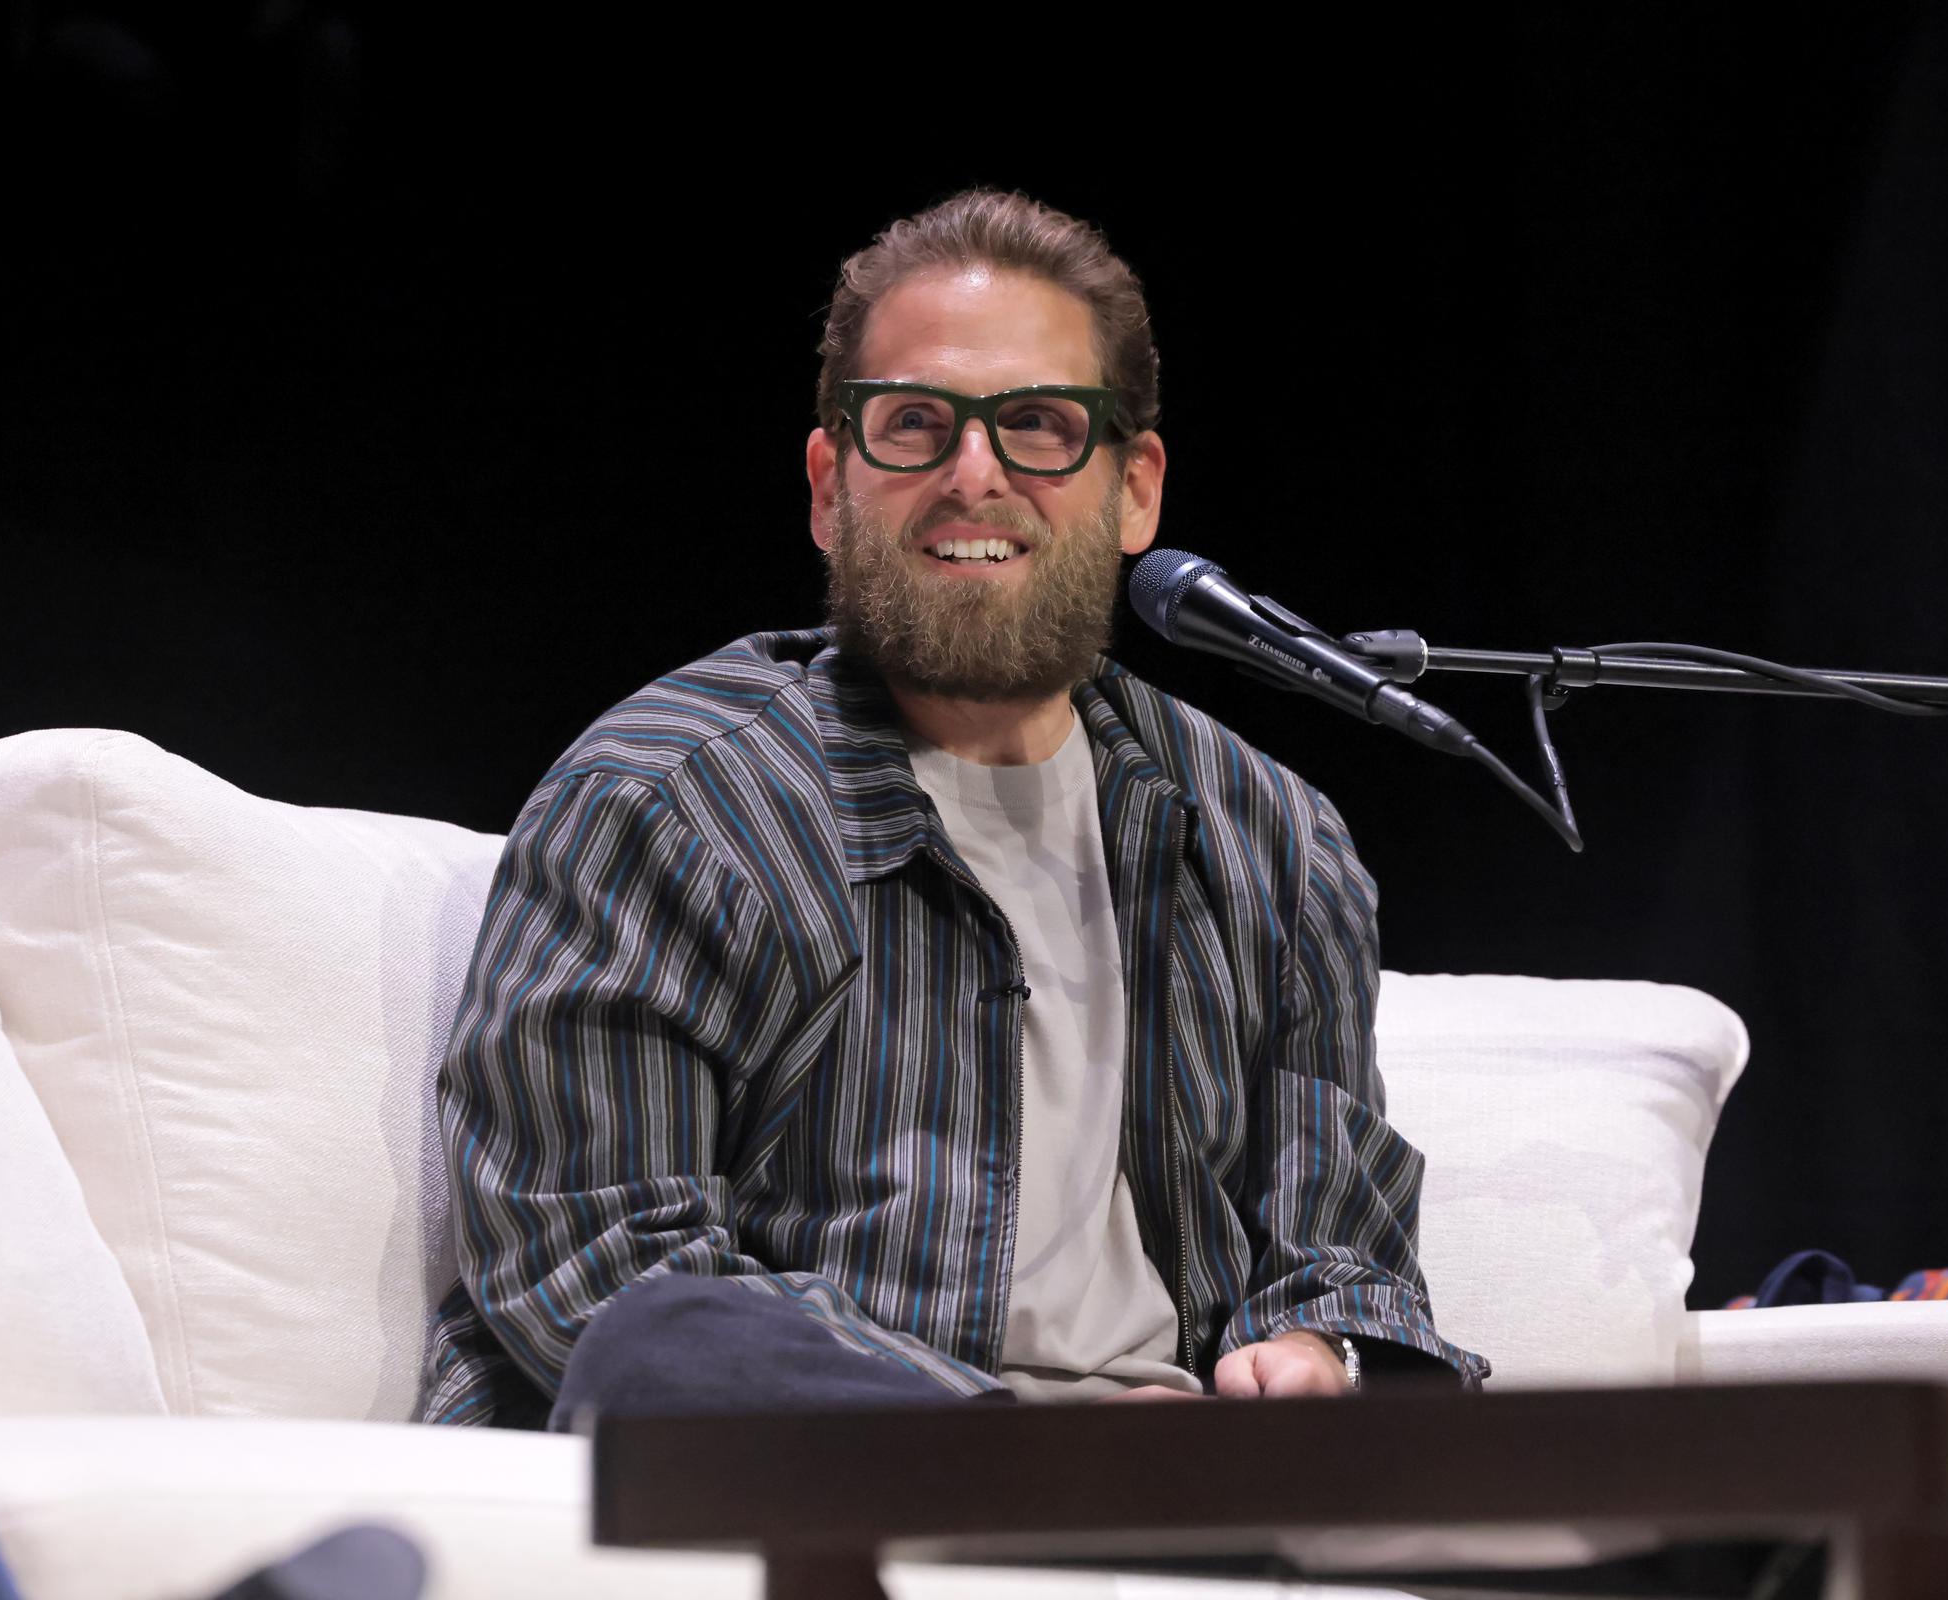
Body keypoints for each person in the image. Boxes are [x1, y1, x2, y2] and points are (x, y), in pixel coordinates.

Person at [423, 190, 1489, 1429]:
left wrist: (1318, 1348)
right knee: (674, 1337)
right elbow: (593, 1271)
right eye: (914, 424)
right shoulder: (668, 804)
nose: (972, 477)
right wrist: (1025, 1444)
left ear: (1135, 487)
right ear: (832, 484)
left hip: (1184, 1495)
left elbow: (1339, 1243)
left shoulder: (1271, 838)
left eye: (1038, 424)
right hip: (814, 1482)